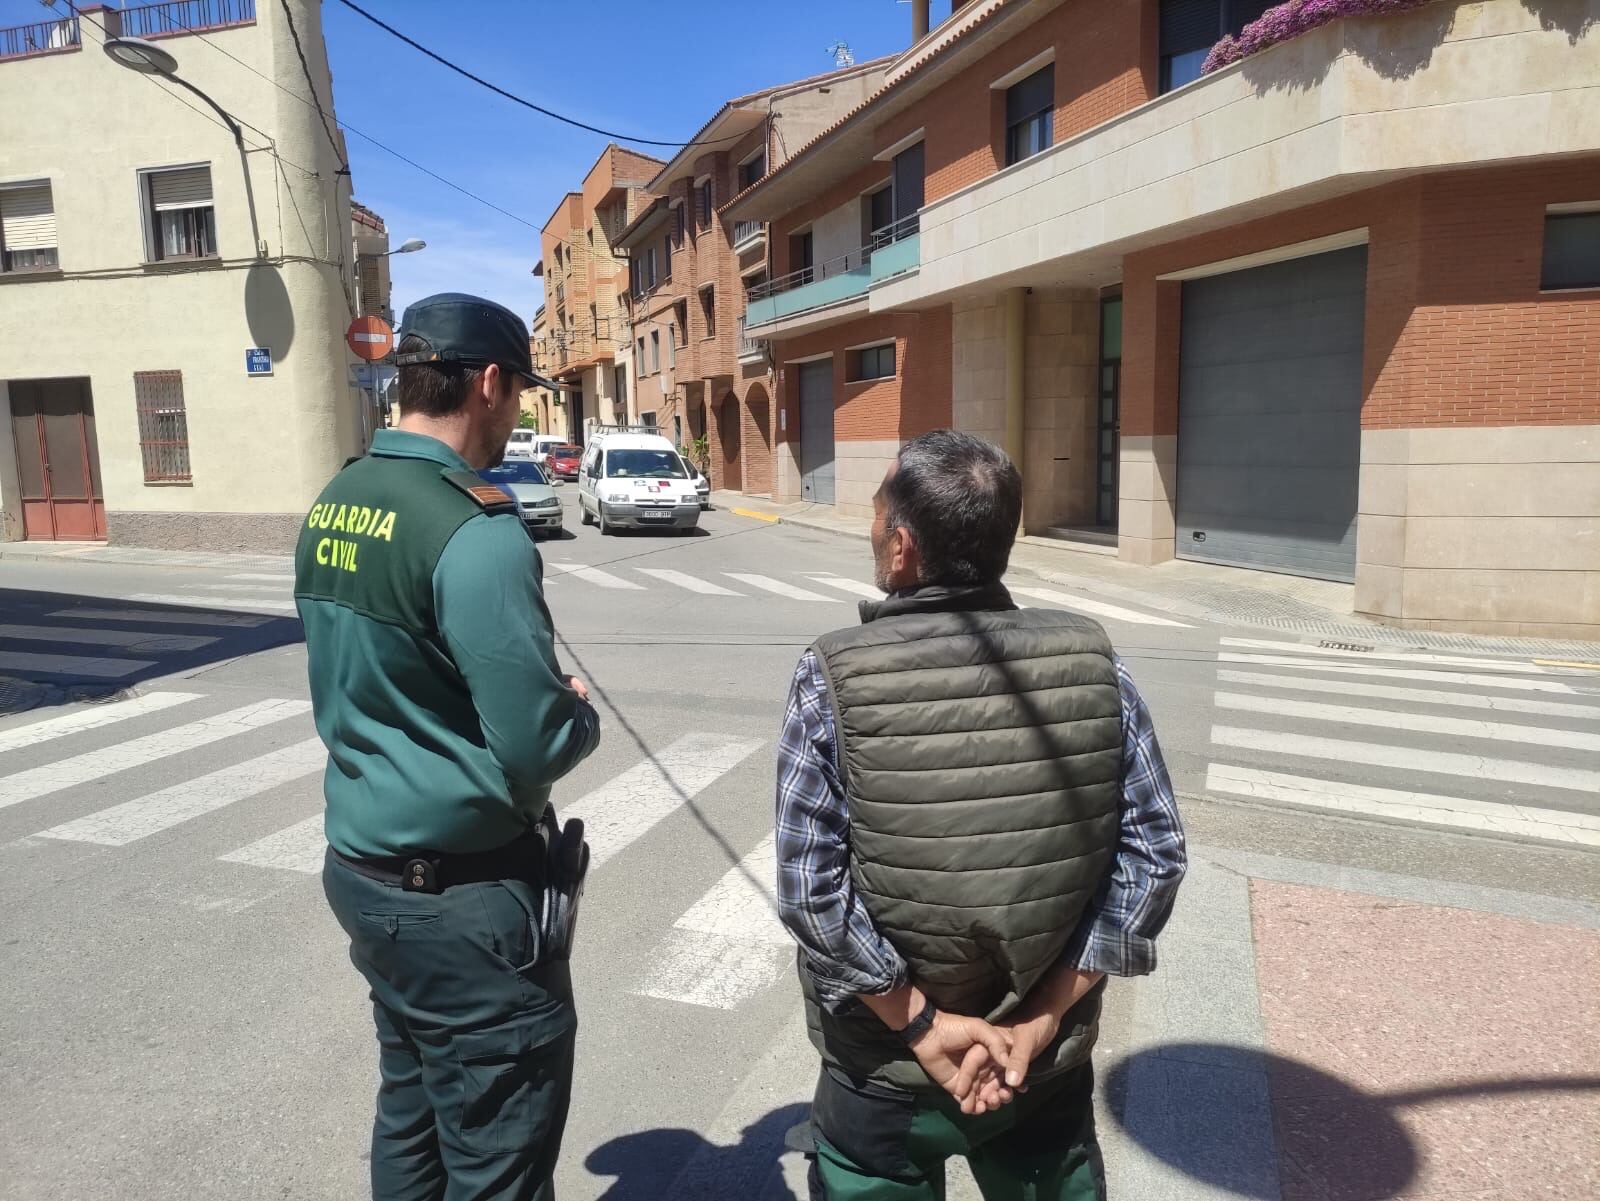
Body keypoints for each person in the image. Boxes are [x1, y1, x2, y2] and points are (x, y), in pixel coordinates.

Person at [775, 430, 1187, 1201]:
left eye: (873, 516)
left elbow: (811, 891)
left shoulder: (832, 674)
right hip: (1041, 1068)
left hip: (885, 1074)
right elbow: (1155, 855)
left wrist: (923, 1025)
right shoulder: (1094, 660)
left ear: (901, 548)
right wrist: (1039, 1019)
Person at [295, 292, 601, 1201]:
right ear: (491, 384)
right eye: (517, 398)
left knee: (414, 1113)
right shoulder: (475, 527)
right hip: (463, 903)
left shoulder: (336, 500)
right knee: (496, 1155)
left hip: (365, 875)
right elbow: (534, 738)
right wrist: (576, 713)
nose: (515, 419)